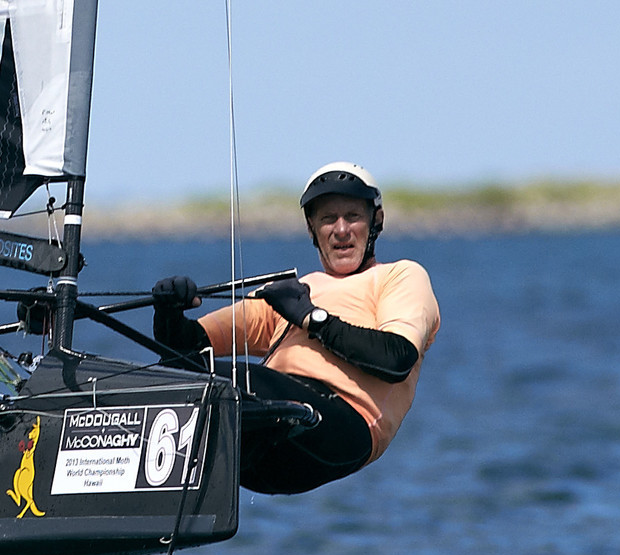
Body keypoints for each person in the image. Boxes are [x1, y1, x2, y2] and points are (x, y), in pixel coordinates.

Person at [152, 162, 439, 496]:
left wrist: (311, 317)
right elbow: (184, 348)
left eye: (353, 217)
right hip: (271, 431)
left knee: (227, 383)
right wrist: (169, 312)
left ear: (377, 221)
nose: (341, 230)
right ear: (311, 229)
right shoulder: (298, 290)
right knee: (175, 375)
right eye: (328, 219)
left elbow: (397, 358)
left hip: (343, 429)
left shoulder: (400, 275)